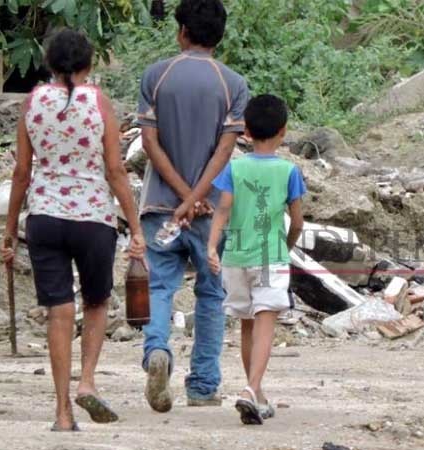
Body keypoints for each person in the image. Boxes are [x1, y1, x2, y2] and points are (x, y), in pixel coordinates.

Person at [1, 29, 146, 431]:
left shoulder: (32, 101)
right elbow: (115, 170)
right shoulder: (98, 101)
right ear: (89, 63)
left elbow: (21, 172)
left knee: (59, 310)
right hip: (93, 219)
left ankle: (62, 412)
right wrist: (135, 226)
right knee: (97, 301)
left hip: (45, 217)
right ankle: (87, 382)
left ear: (48, 62)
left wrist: (9, 231)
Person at [136, 0, 249, 412]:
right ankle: (202, 386)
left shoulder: (156, 75)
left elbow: (149, 143)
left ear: (181, 31)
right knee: (211, 293)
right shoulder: (233, 84)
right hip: (211, 212)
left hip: (160, 207)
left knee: (159, 286)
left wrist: (182, 196)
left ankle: (156, 351)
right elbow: (225, 149)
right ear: (220, 35)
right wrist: (197, 197)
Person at [207, 94, 306, 425]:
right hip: (269, 256)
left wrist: (211, 246)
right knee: (265, 323)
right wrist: (286, 248)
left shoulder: (234, 168)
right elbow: (298, 222)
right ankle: (250, 389)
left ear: (246, 131)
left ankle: (258, 394)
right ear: (283, 131)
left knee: (247, 324)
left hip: (235, 257)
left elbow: (223, 209)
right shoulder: (289, 171)